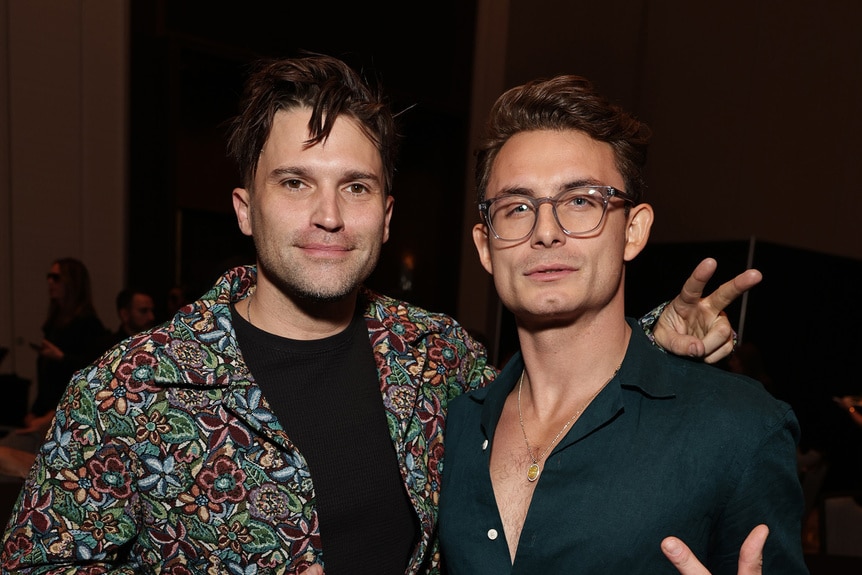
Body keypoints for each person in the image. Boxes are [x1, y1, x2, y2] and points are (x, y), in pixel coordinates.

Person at [1, 55, 755, 575]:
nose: (328, 215)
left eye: (356, 187)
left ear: (387, 215)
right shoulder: (128, 391)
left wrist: (651, 334)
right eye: (295, 182)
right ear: (243, 208)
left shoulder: (434, 354)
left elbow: (552, 404)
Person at [437, 74, 807, 574]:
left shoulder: (738, 429)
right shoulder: (453, 426)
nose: (546, 231)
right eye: (517, 207)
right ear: (486, 245)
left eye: (581, 201)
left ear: (633, 231)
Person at [0, 258, 106, 456]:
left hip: (66, 420)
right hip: (45, 416)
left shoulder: (88, 325)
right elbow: (46, 380)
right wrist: (33, 413)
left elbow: (91, 374)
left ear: (72, 283)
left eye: (56, 277)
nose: (50, 282)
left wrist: (62, 357)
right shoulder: (53, 325)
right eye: (48, 277)